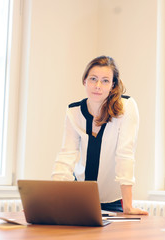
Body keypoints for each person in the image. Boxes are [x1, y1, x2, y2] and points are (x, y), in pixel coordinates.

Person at [52, 56, 148, 215]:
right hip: (79, 198)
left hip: (113, 202)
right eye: (93, 79)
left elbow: (125, 155)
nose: (98, 86)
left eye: (105, 81)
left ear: (112, 85)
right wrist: (52, 199)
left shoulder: (127, 107)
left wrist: (128, 206)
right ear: (84, 81)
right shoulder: (73, 112)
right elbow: (65, 157)